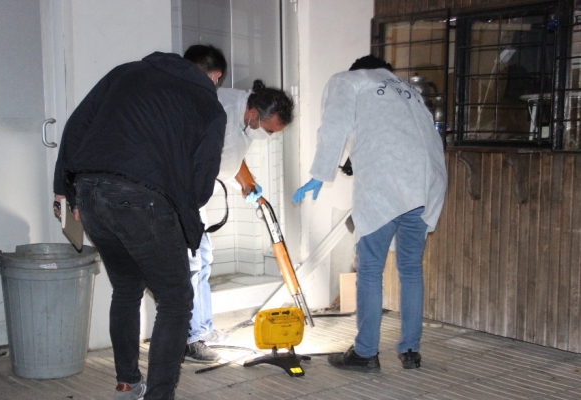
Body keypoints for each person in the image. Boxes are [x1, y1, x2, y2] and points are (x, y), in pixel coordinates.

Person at [53, 45, 227, 399]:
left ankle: (127, 383)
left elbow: (77, 125)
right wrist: (181, 216)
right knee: (176, 300)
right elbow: (202, 182)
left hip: (89, 190)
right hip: (141, 199)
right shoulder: (209, 105)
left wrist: (65, 189)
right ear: (215, 76)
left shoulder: (127, 72)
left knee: (127, 288)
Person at [293, 55, 447, 372]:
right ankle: (410, 350)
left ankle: (365, 354)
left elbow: (335, 126)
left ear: (359, 69)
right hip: (427, 185)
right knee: (410, 268)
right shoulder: (406, 89)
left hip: (386, 186)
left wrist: (319, 175)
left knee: (370, 269)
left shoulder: (350, 80)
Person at [183, 78, 294, 362]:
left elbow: (232, 155)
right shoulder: (222, 110)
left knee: (203, 258)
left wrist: (248, 185)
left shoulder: (246, 116)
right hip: (181, 190)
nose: (270, 136)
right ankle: (190, 339)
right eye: (269, 131)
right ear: (254, 114)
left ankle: (203, 329)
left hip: (195, 192)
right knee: (191, 264)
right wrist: (242, 183)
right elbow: (216, 155)